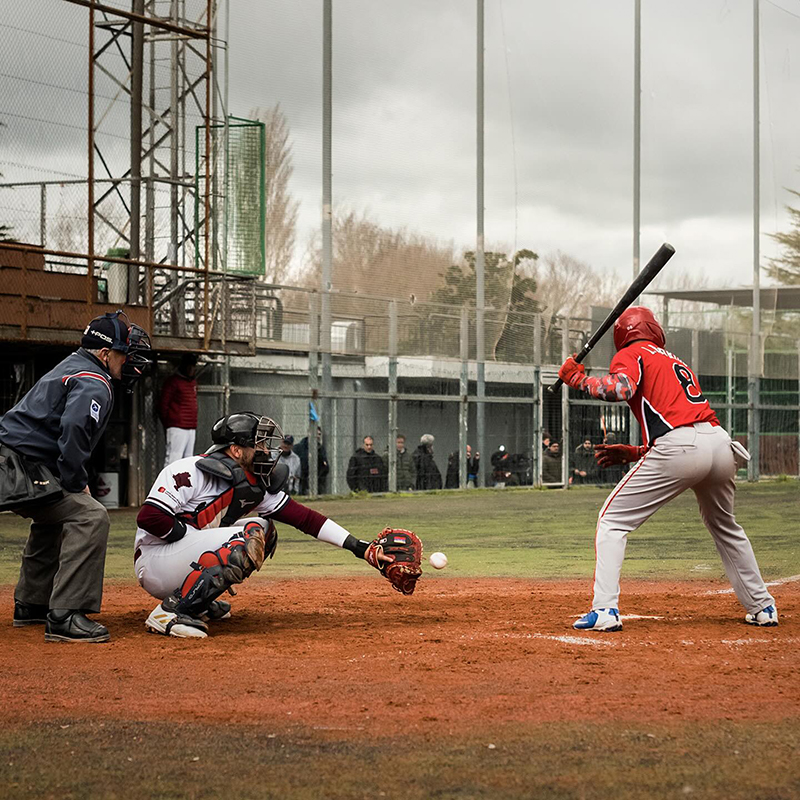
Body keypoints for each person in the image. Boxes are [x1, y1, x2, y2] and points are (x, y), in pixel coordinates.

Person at [558, 306, 777, 632]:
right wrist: (637, 452)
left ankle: (604, 610)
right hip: (719, 444)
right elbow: (687, 425)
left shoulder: (631, 353)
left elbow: (621, 389)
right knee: (725, 526)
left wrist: (577, 379)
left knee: (613, 520)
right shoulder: (675, 360)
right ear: (655, 329)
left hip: (682, 446)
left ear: (623, 335)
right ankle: (762, 606)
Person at [134, 413, 400, 639]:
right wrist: (205, 543)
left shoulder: (253, 482)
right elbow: (150, 518)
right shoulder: (190, 470)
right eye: (258, 445)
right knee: (246, 537)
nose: (266, 451)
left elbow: (306, 519)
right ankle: (170, 611)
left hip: (181, 559)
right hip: (155, 560)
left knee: (265, 528)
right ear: (236, 450)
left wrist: (361, 548)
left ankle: (197, 601)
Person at [0, 311, 151, 642]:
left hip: (15, 465)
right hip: (15, 468)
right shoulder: (94, 380)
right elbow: (73, 429)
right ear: (104, 354)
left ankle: (32, 603)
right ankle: (65, 614)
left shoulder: (73, 365)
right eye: (125, 352)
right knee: (91, 515)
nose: (130, 360)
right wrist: (74, 481)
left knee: (55, 512)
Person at [159, 353, 198, 467]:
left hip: (191, 427)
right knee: (173, 459)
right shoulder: (173, 382)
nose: (192, 369)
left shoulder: (192, 382)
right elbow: (163, 405)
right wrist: (170, 422)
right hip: (177, 427)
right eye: (189, 366)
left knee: (188, 461)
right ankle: (168, 484)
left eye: (193, 366)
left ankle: (185, 485)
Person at [294, 426, 330, 495]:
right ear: (309, 433)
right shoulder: (298, 448)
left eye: (319, 434)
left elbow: (325, 467)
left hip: (317, 482)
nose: (317, 436)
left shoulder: (321, 449)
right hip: (301, 482)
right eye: (315, 433)